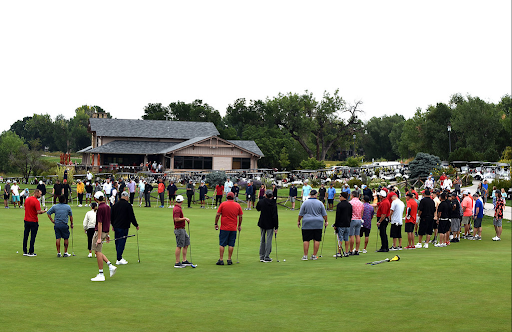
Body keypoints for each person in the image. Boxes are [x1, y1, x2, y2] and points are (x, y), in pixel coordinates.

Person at [90, 191, 117, 282]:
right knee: (98, 252)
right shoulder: (107, 207)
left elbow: (100, 223)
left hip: (100, 232)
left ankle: (101, 274)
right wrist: (108, 234)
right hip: (105, 231)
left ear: (95, 199)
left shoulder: (100, 208)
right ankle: (110, 265)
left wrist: (98, 238)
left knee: (97, 252)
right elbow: (108, 221)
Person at [297, 190, 328, 260]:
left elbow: (301, 214)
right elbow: (324, 214)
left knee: (306, 239)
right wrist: (326, 221)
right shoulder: (320, 203)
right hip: (318, 222)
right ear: (316, 195)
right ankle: (314, 255)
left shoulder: (305, 203)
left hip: (307, 222)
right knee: (317, 239)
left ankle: (305, 255)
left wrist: (298, 221)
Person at [214, 192, 243, 265]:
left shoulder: (223, 204)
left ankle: (221, 259)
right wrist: (239, 225)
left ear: (227, 197)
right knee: (231, 244)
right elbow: (240, 216)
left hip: (224, 227)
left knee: (222, 244)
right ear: (233, 197)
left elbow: (218, 215)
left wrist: (216, 223)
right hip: (233, 228)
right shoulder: (237, 205)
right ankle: (229, 259)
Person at [111, 191, 139, 264]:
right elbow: (131, 216)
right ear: (126, 197)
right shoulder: (128, 205)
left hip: (116, 226)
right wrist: (136, 225)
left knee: (117, 242)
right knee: (122, 242)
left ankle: (119, 257)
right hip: (123, 226)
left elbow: (111, 216)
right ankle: (119, 259)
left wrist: (113, 225)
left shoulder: (115, 205)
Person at [256, 189, 279, 262]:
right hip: (270, 223)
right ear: (272, 196)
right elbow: (275, 216)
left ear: (265, 195)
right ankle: (266, 256)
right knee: (269, 239)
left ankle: (262, 256)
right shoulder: (273, 203)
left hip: (262, 222)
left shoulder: (262, 201)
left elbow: (257, 208)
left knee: (262, 239)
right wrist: (276, 226)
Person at [23, 189, 47, 256]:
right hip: (33, 220)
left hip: (26, 220)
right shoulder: (36, 201)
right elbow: (38, 212)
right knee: (33, 236)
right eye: (40, 194)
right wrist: (44, 211)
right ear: (36, 193)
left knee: (26, 236)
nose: (40, 195)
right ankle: (31, 251)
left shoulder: (27, 199)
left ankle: (25, 251)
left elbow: (25, 208)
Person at [173, 195, 193, 268]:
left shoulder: (177, 208)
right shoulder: (177, 209)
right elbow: (176, 219)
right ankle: (177, 262)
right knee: (179, 245)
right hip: (179, 229)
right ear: (182, 201)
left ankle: (184, 260)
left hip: (182, 229)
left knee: (186, 243)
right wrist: (185, 218)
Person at [334, 192, 352, 257]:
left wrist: (336, 224)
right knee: (346, 238)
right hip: (347, 223)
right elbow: (350, 215)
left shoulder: (339, 205)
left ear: (343, 197)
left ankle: (339, 252)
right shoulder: (349, 205)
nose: (339, 197)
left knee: (340, 238)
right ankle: (346, 252)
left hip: (341, 224)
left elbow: (338, 216)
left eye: (340, 196)